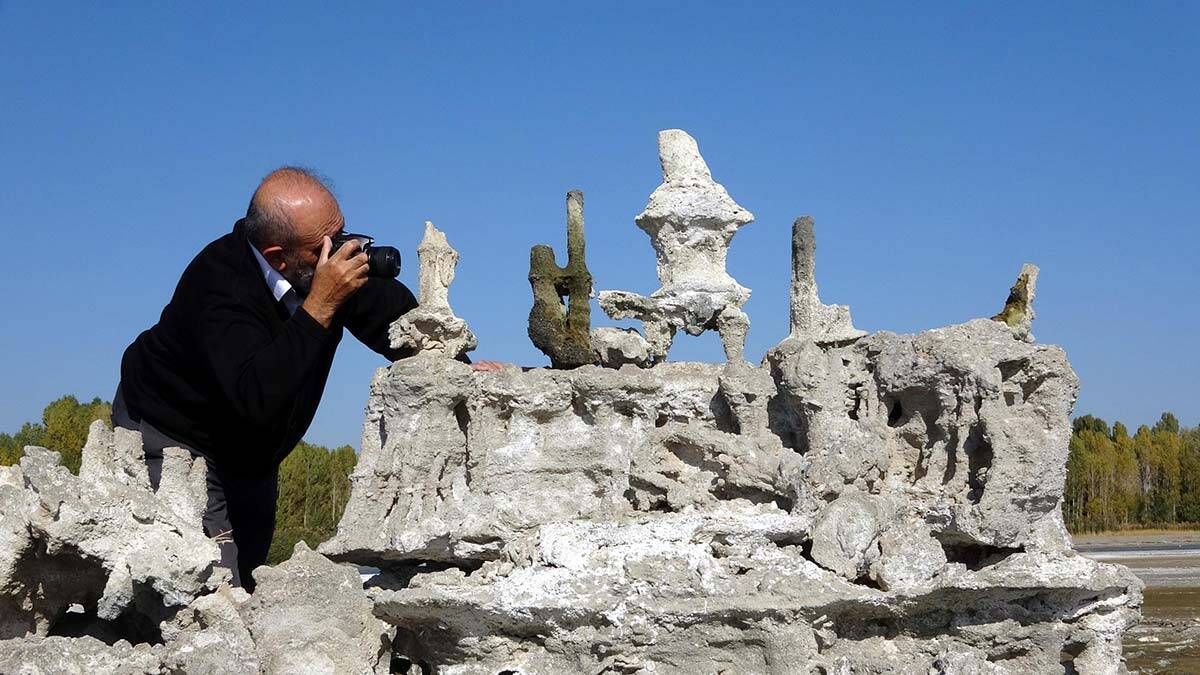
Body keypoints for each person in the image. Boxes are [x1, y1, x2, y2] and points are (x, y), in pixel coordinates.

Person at [112, 167, 500, 591]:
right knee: (207, 592)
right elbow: (255, 396)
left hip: (252, 453)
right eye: (325, 246)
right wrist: (320, 305)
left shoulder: (320, 267)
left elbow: (399, 324)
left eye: (343, 233)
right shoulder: (218, 284)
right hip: (171, 437)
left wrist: (458, 365)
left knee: (250, 577)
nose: (343, 252)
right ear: (279, 256)